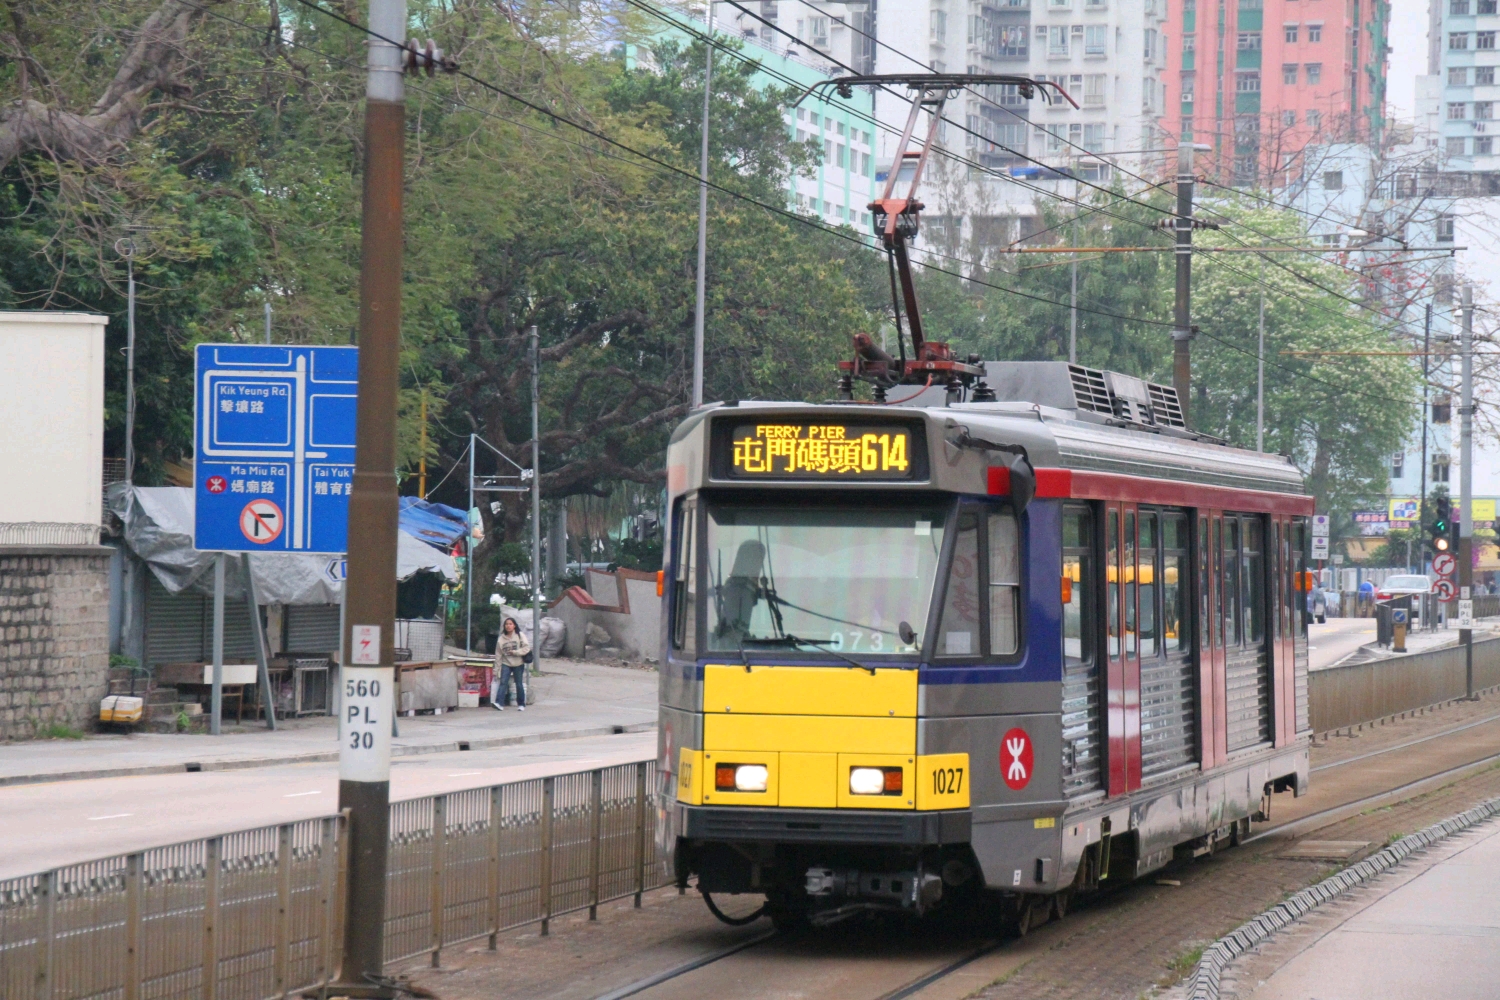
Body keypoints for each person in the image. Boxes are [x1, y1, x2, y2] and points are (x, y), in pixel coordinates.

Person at [492, 617, 530, 711]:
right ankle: (499, 703)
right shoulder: (501, 639)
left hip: (518, 663)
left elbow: (526, 648)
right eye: (506, 624)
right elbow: (498, 655)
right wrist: (496, 670)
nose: (508, 626)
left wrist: (516, 652)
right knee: (503, 682)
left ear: (514, 625)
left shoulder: (519, 635)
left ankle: (521, 704)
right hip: (506, 663)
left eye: (510, 624)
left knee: (518, 684)